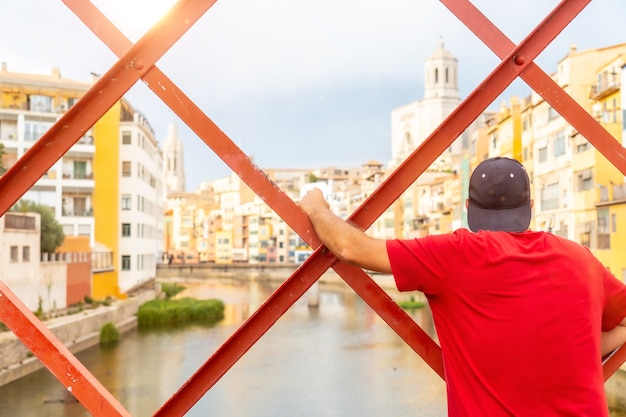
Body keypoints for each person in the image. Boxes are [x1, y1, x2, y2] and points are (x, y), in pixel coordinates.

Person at [299, 156, 626, 416]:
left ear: (469, 209)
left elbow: (351, 249)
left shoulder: (453, 256)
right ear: (530, 208)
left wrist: (315, 206)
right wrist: (586, 346)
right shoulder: (581, 260)